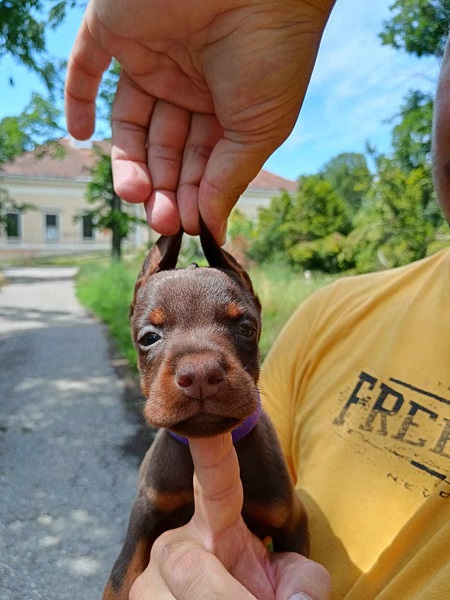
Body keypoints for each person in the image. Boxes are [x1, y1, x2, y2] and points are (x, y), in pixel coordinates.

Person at [65, 2, 450, 598]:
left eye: (237, 329)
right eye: (152, 337)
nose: (197, 368)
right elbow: (142, 529)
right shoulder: (332, 320)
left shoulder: (267, 467)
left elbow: (288, 523)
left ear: (259, 322)